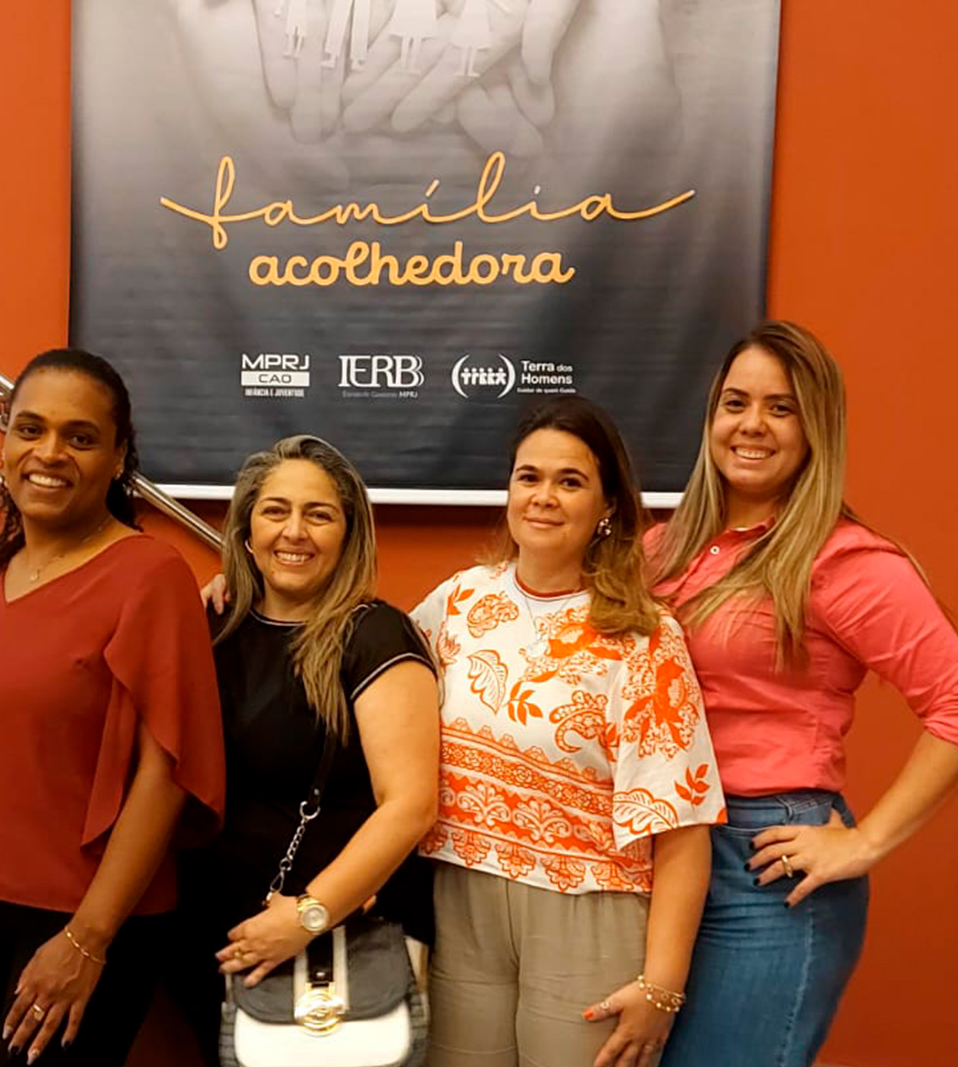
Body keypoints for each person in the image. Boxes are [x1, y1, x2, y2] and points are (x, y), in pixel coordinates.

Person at [0, 348, 226, 1067]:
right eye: (30, 429)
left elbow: (166, 774)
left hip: (80, 917)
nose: (49, 453)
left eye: (80, 437)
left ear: (118, 458)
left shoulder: (151, 575)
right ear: (5, 442)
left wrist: (88, 939)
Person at [648, 320, 958, 1067]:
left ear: (817, 427)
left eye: (781, 408)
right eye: (736, 403)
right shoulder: (662, 551)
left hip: (764, 869)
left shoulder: (843, 562)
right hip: (661, 852)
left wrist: (865, 841)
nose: (752, 425)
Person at [410, 396, 725, 1067]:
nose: (544, 497)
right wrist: (232, 593)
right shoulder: (459, 601)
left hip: (588, 912)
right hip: (460, 900)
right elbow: (365, 679)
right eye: (529, 477)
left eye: (570, 481)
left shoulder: (644, 636)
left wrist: (662, 984)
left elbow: (681, 827)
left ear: (607, 505)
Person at [188, 434, 440, 1064]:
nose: (294, 531)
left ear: (348, 535)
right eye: (275, 511)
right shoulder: (214, 624)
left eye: (318, 514)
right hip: (213, 939)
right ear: (247, 530)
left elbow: (410, 805)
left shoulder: (376, 636)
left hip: (327, 950)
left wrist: (306, 918)